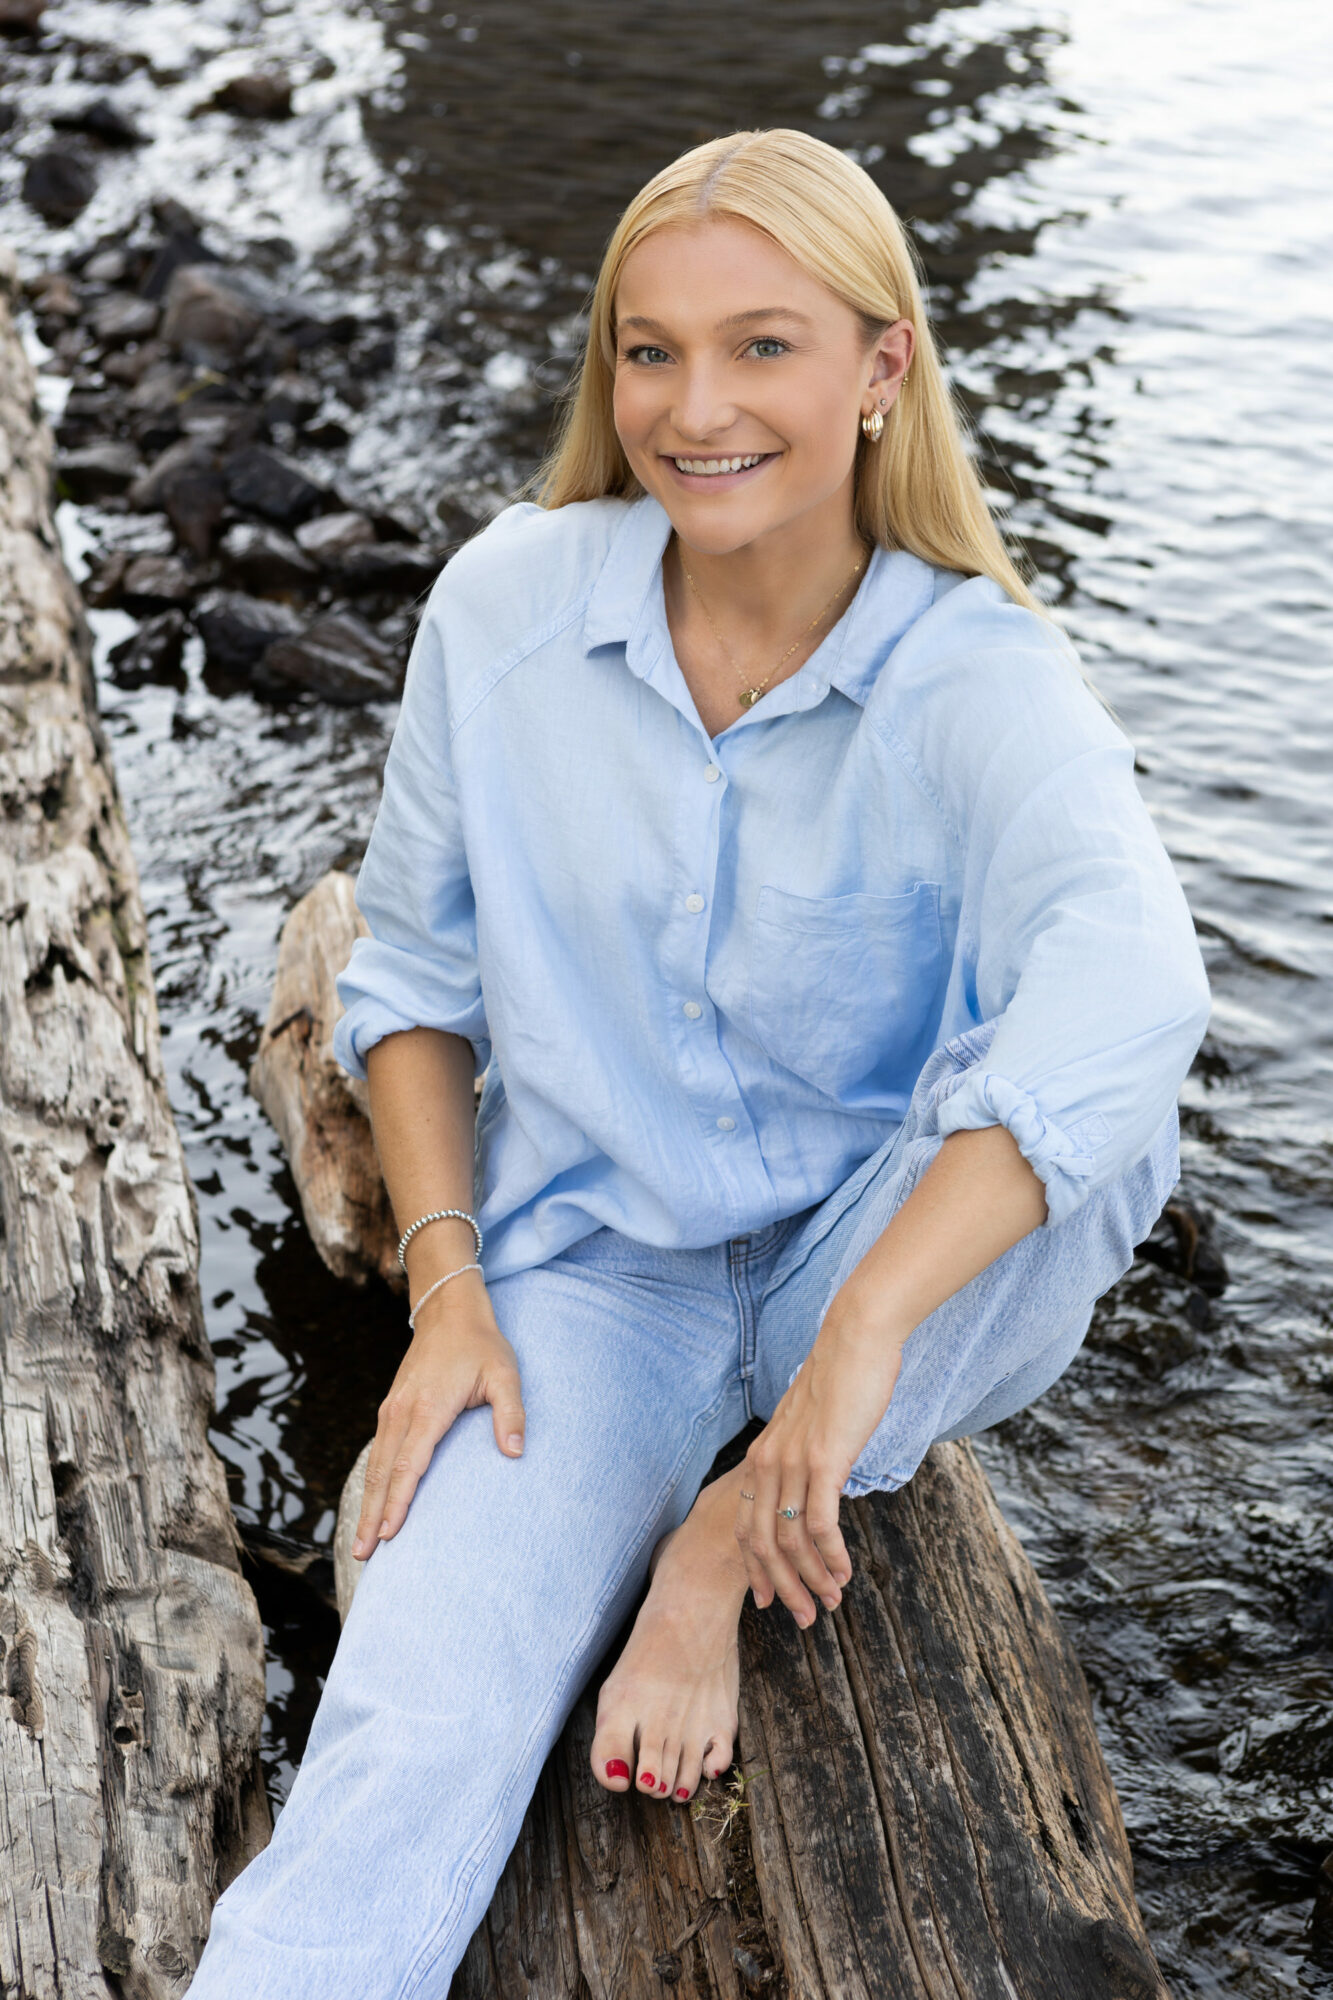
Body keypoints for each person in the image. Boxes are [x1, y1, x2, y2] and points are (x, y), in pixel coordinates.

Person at [186, 127, 1210, 1996]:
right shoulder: (508, 604)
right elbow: (408, 974)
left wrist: (861, 1340)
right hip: (600, 1275)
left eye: (761, 346)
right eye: (647, 350)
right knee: (409, 1727)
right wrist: (447, 1288)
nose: (693, 405)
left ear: (881, 369)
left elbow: (1138, 980)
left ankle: (731, 1532)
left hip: (860, 1248)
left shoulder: (976, 673)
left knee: (1099, 1124)